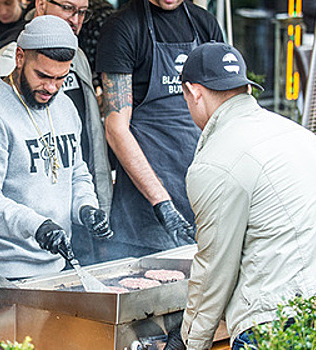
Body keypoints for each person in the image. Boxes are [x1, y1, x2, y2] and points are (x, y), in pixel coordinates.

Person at [0, 15, 113, 335]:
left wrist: (86, 208)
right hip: (2, 274)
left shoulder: (64, 106)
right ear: (20, 57)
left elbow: (76, 171)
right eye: (43, 76)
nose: (51, 87)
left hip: (54, 270)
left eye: (60, 78)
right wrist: (37, 226)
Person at [178, 42, 316, 350]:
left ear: (193, 92)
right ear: (246, 86)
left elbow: (213, 271)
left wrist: (190, 342)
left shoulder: (215, 161)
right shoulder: (302, 137)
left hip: (270, 326)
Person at [0, 0, 113, 264]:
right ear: (40, 4)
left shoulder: (80, 57)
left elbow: (83, 149)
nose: (75, 20)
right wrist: (38, 225)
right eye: (67, 8)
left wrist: (90, 205)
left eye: (82, 12)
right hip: (16, 247)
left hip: (71, 217)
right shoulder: (8, 61)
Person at [95, 0, 224, 261]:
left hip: (201, 194)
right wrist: (162, 203)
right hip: (146, 208)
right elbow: (115, 128)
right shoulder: (124, 28)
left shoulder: (204, 23)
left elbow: (221, 111)